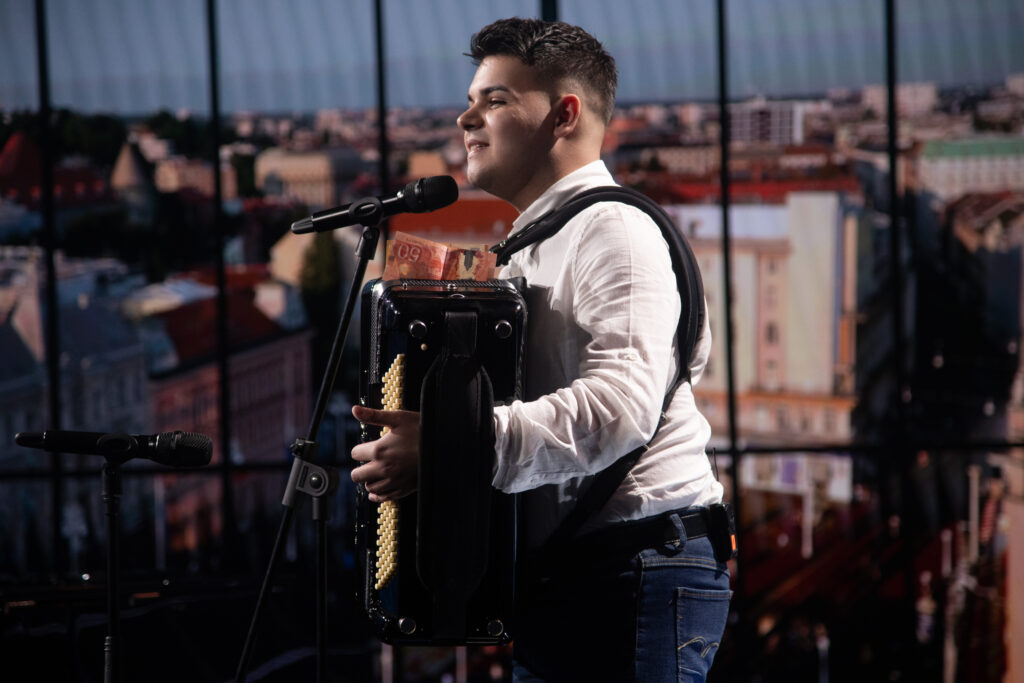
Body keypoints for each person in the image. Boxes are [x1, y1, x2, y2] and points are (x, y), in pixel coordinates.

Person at [351, 17, 731, 682]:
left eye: (495, 99)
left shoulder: (614, 230)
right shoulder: (543, 239)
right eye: (470, 100)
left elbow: (621, 408)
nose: (467, 118)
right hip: (588, 577)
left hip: (634, 572)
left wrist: (450, 445)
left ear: (565, 115)